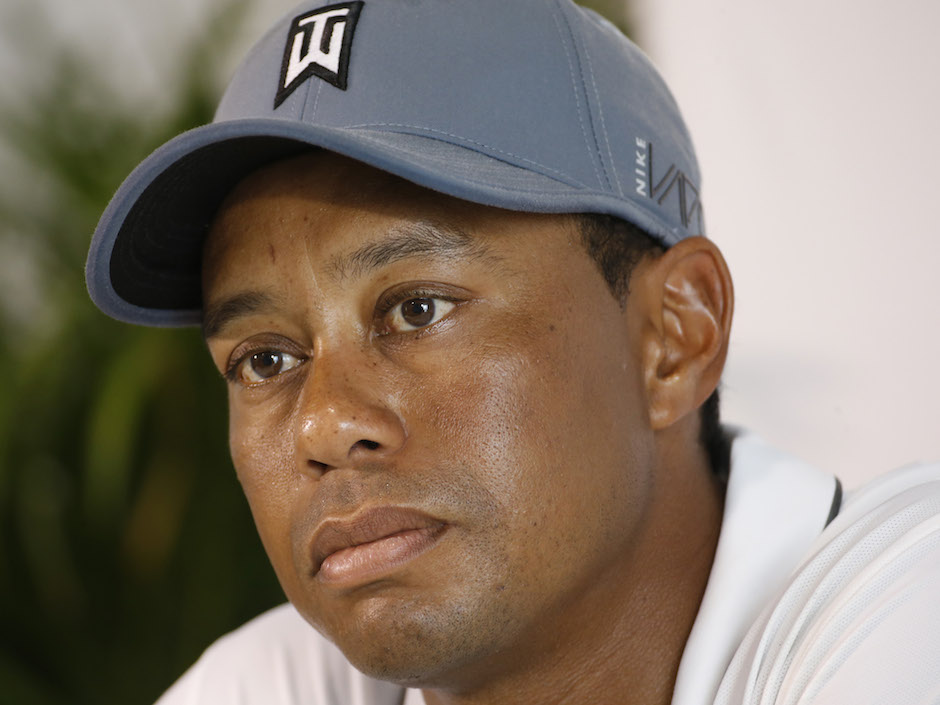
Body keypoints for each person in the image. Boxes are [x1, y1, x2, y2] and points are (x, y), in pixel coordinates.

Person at [85, 1, 940, 703]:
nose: (324, 421)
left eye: (417, 309)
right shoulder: (277, 684)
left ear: (675, 338)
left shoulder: (907, 613)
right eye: (266, 359)